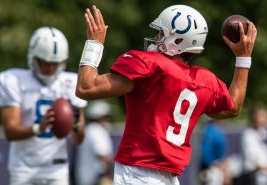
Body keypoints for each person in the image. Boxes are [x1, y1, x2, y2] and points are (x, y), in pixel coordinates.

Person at [76, 4, 257, 185]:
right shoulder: (205, 80)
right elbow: (232, 107)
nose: (156, 38)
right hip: (169, 178)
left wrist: (95, 43)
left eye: (161, 34)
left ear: (177, 41)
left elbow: (86, 87)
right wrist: (243, 57)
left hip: (136, 173)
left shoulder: (151, 65)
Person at [0, 27, 87, 185]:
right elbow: (10, 131)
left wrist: (76, 124)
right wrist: (39, 128)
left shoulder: (70, 83)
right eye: (45, 62)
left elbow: (79, 139)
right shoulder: (13, 80)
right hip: (24, 168)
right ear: (33, 57)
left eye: (55, 63)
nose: (50, 69)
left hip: (56, 168)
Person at [233, 103, 267, 185]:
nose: (264, 119)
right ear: (254, 118)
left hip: (262, 177)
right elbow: (253, 160)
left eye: (265, 116)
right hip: (249, 177)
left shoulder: (263, 133)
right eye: (261, 116)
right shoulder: (248, 135)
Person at [75, 100, 114, 185]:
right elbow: (104, 157)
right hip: (95, 180)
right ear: (98, 117)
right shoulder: (97, 130)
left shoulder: (88, 130)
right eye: (106, 116)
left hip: (84, 179)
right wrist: (112, 175)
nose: (108, 119)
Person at [199, 120, 231, 185]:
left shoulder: (210, 129)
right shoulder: (212, 130)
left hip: (214, 168)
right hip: (213, 169)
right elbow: (205, 154)